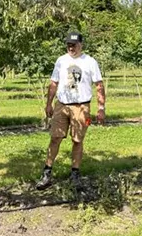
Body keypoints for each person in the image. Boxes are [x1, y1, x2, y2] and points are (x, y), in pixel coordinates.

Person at [36, 31, 106, 190]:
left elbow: (99, 85)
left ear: (81, 45)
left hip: (82, 107)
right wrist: (49, 104)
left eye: (74, 45)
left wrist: (101, 108)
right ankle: (47, 173)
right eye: (68, 44)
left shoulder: (90, 62)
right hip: (62, 105)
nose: (71, 47)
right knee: (55, 138)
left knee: (77, 140)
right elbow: (53, 83)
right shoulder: (61, 60)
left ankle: (75, 173)